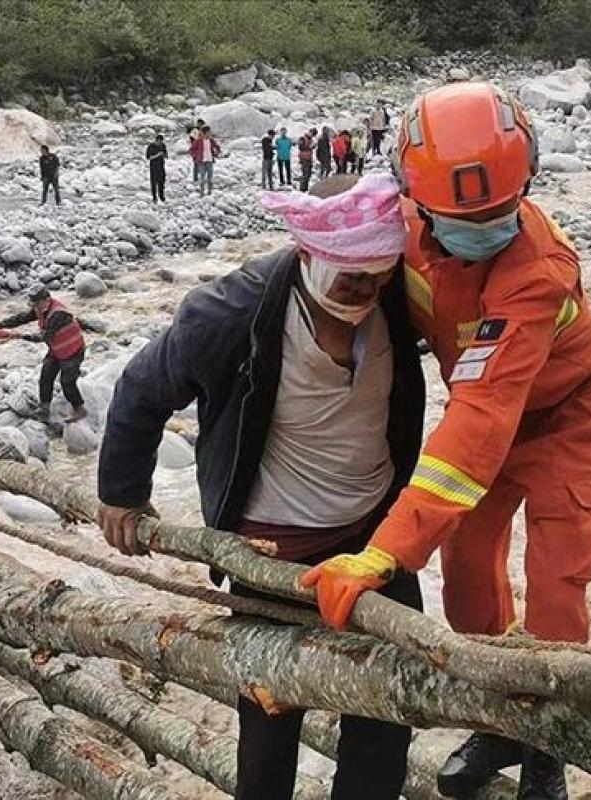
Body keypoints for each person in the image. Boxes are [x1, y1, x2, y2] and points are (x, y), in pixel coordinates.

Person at [299, 83, 591, 800]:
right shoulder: (398, 227)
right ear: (416, 198)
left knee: (557, 588)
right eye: (462, 220)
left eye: (496, 216)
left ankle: (550, 741)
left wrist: (385, 552)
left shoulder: (537, 273)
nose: (482, 230)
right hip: (483, 409)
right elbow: (330, 263)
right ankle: (499, 718)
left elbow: (483, 416)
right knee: (469, 572)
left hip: (564, 419)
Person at [96, 174, 424, 800]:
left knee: (387, 714)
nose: (366, 288)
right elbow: (142, 387)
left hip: (374, 544)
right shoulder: (233, 312)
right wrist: (123, 493)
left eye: (378, 273)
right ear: (307, 253)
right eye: (350, 276)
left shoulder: (400, 295)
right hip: (272, 557)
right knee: (270, 723)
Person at [0, 284, 89, 422]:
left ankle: (79, 409)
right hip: (57, 350)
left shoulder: (58, 314)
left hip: (73, 351)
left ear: (46, 300)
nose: (34, 307)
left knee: (67, 382)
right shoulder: (41, 309)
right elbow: (22, 318)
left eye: (36, 304)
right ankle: (44, 408)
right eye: (33, 304)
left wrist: (20, 336)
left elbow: (43, 337)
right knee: (46, 376)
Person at [190, 126, 221, 197]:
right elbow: (191, 150)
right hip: (201, 162)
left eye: (210, 132)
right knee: (202, 178)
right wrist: (196, 156)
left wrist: (217, 152)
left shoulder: (211, 140)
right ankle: (202, 193)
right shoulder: (198, 141)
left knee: (210, 178)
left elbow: (217, 147)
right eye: (208, 132)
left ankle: (209, 192)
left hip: (210, 161)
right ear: (204, 133)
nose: (210, 134)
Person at [146, 134, 167, 203]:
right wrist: (158, 155)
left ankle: (161, 196)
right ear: (156, 140)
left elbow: (166, 155)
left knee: (162, 182)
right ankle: (154, 197)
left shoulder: (163, 145)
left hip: (161, 166)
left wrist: (163, 155)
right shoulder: (151, 146)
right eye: (159, 142)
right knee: (154, 182)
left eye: (161, 142)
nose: (160, 143)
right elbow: (149, 157)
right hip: (154, 167)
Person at [297, 128, 316, 192]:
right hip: (304, 158)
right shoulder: (302, 138)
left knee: (308, 175)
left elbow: (309, 149)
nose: (312, 135)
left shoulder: (311, 140)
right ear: (309, 132)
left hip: (309, 158)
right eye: (312, 133)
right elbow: (301, 148)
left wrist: (313, 147)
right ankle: (302, 189)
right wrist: (309, 147)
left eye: (313, 135)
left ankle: (305, 189)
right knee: (305, 174)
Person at [188, 118, 205, 183]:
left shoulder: (203, 131)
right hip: (196, 149)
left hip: (201, 149)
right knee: (196, 163)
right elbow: (192, 139)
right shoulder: (194, 131)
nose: (200, 125)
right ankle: (195, 178)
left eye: (201, 124)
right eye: (200, 124)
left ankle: (200, 177)